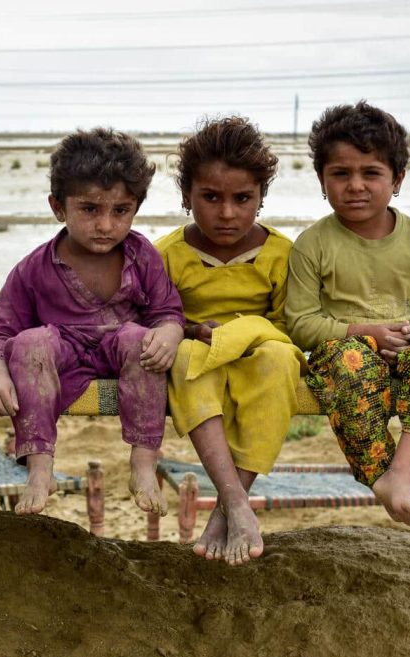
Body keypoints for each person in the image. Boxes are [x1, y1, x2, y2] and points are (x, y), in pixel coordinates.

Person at [285, 101, 410, 528]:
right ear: (322, 180)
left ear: (397, 179)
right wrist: (368, 332)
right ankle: (380, 476)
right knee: (349, 362)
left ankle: (401, 473)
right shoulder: (312, 244)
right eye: (341, 174)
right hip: (347, 357)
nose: (356, 185)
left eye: (371, 173)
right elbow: (300, 322)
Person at [0, 128, 185, 518]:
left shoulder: (142, 256)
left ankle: (143, 464)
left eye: (120, 210)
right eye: (90, 209)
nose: (106, 225)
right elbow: (0, 332)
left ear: (135, 208)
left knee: (142, 340)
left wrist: (170, 334)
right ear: (59, 207)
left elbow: (167, 312)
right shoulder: (33, 269)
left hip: (121, 349)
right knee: (30, 342)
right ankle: (40, 469)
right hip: (62, 352)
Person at [155, 116, 304, 565]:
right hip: (195, 355)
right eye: (211, 197)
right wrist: (195, 333)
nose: (227, 213)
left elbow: (288, 327)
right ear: (187, 197)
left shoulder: (281, 254)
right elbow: (154, 318)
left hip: (261, 352)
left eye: (243, 199)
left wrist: (239, 336)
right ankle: (237, 503)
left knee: (280, 360)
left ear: (261, 199)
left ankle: (227, 506)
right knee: (182, 358)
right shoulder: (166, 255)